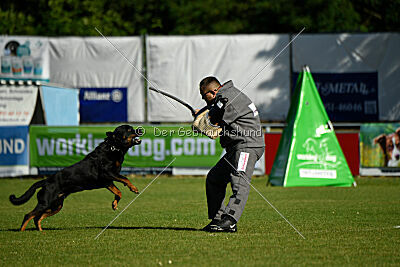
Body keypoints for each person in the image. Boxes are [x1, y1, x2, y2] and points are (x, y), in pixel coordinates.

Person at [197, 76, 264, 232]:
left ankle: (230, 220)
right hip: (236, 148)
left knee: (239, 181)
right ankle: (218, 219)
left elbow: (213, 126)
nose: (202, 98)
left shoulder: (227, 97)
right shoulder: (227, 96)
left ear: (214, 91)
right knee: (215, 178)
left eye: (204, 95)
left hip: (247, 146)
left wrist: (200, 123)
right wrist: (201, 114)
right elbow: (214, 112)